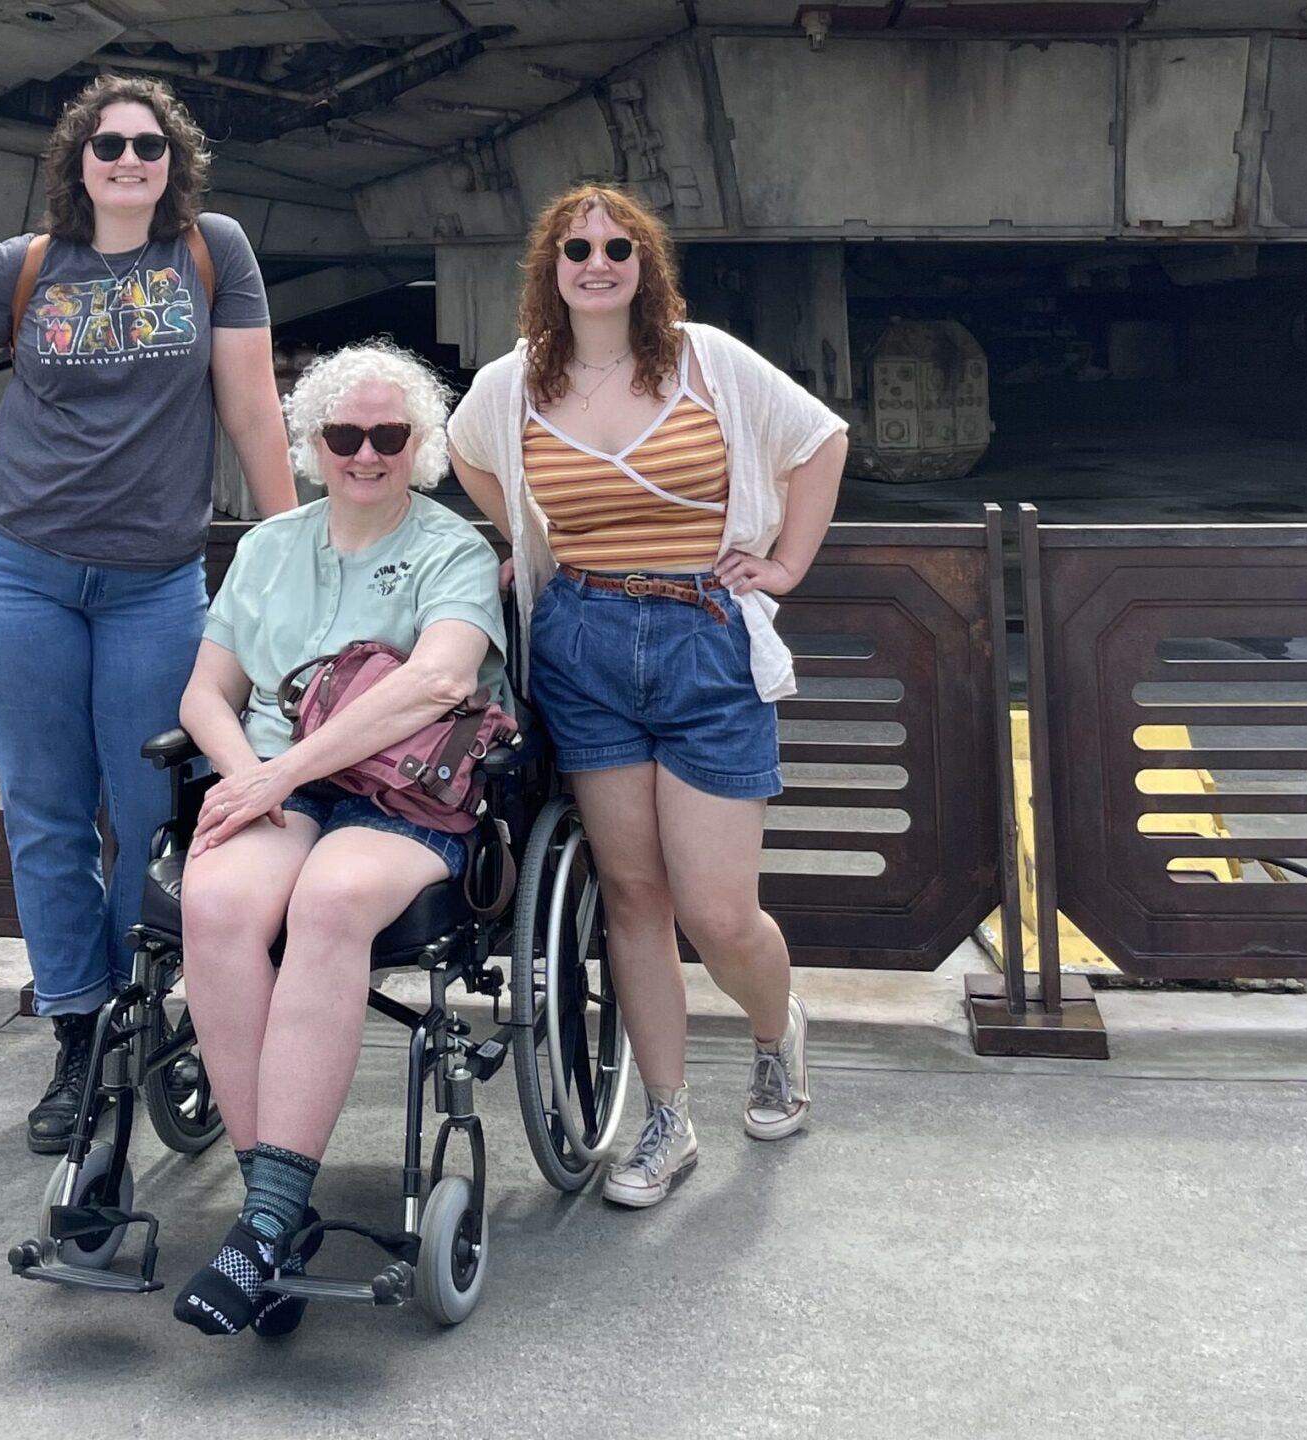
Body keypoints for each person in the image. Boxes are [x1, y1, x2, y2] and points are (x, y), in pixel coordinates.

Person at [0, 74, 297, 1154]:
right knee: (47, 804)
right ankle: (78, 1028)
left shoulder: (212, 252)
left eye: (150, 146)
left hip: (151, 580)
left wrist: (295, 553)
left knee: (159, 807)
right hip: (9, 561)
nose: (129, 160)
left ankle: (146, 1003)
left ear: (176, 166)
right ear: (78, 162)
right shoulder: (24, 266)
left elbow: (253, 410)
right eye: (109, 145)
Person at [447, 184, 851, 1209]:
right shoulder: (513, 385)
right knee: (632, 897)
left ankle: (774, 1032)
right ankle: (667, 1119)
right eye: (577, 247)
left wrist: (788, 562)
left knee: (718, 912)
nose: (597, 261)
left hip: (703, 636)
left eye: (617, 246)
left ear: (642, 262)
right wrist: (525, 544)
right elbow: (464, 454)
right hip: (580, 639)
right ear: (551, 264)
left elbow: (819, 442)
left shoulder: (703, 356)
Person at [164, 341, 511, 1336]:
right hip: (274, 780)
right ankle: (271, 1209)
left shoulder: (447, 548)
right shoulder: (270, 547)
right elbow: (205, 691)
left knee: (327, 899)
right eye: (345, 435)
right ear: (315, 445)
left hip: (399, 796)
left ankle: (264, 1226)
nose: (366, 453)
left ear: (420, 446)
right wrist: (246, 775)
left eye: (388, 436)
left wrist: (285, 772)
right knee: (219, 902)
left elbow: (438, 679)